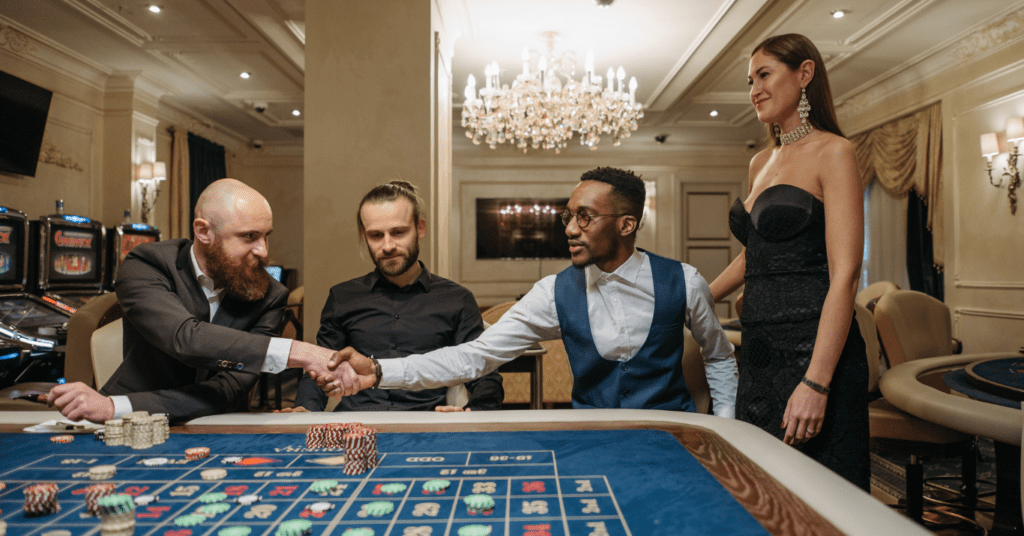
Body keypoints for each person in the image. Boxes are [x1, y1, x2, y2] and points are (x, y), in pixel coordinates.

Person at [316, 167, 738, 416]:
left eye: (586, 218)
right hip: (590, 437)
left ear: (626, 225)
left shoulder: (685, 280)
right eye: (568, 216)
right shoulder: (552, 292)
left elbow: (719, 356)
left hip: (674, 437)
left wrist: (725, 427)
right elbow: (474, 356)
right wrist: (381, 369)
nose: (570, 229)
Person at [45, 178, 354, 424]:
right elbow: (183, 338)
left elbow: (230, 389)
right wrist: (298, 351)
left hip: (217, 421)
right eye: (249, 236)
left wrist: (115, 406)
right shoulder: (146, 265)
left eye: (265, 235)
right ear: (203, 231)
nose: (262, 250)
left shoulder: (270, 294)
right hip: (126, 420)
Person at [708, 33, 869, 489]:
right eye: (749, 80)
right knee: (761, 488)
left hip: (813, 348)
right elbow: (755, 254)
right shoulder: (761, 161)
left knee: (820, 496)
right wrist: (693, 296)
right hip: (757, 350)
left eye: (764, 75)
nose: (753, 89)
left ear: (804, 75)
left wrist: (816, 383)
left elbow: (846, 276)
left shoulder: (834, 151)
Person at [285, 181, 503, 413]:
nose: (387, 246)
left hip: (427, 425)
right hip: (354, 424)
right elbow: (321, 367)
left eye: (398, 233)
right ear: (364, 236)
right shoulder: (343, 297)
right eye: (376, 235)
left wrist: (473, 412)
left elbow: (484, 374)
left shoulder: (457, 299)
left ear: (420, 229)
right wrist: (305, 410)